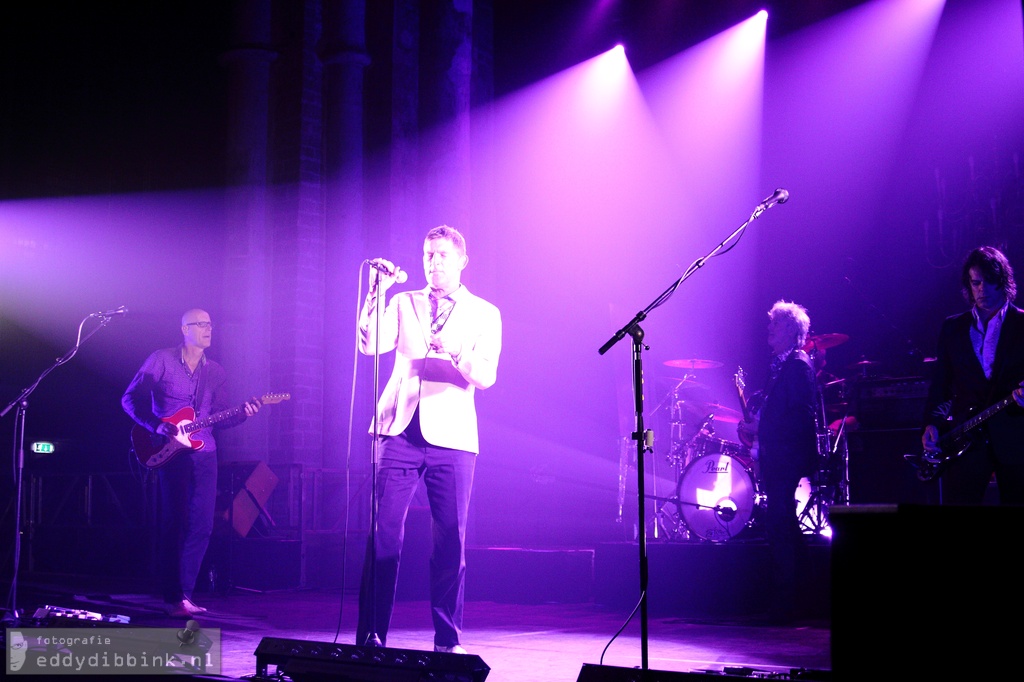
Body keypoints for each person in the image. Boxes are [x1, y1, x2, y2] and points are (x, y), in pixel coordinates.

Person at [356, 225, 502, 654]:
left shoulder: (484, 312)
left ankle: (447, 640)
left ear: (461, 261)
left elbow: (487, 376)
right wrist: (374, 291)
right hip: (397, 430)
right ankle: (371, 634)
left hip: (453, 439)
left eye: (441, 255)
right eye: (427, 255)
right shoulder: (404, 302)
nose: (433, 262)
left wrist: (455, 349)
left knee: (450, 541)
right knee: (382, 535)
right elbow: (370, 345)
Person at [122, 309, 262, 617]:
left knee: (202, 524)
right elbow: (130, 398)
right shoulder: (161, 359)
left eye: (211, 324)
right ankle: (172, 596)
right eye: (202, 324)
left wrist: (243, 414)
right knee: (176, 522)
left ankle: (185, 595)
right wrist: (155, 425)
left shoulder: (216, 372)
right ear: (185, 329)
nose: (209, 329)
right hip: (170, 449)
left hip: (205, 452)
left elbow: (221, 417)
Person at [921, 246, 1024, 504]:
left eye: (989, 282)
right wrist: (932, 423)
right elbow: (942, 384)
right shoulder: (953, 328)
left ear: (1003, 281)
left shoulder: (1022, 324)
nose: (982, 290)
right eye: (976, 282)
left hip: (1015, 437)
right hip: (966, 438)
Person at [738, 300, 819, 624]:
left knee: (782, 524)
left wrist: (763, 427)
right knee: (782, 525)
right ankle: (797, 597)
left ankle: (789, 602)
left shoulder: (798, 366)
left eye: (775, 324)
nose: (769, 329)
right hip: (779, 455)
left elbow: (802, 415)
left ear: (791, 330)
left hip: (788, 456)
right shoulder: (782, 365)